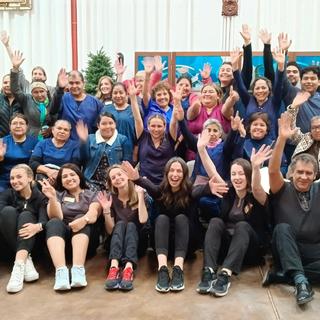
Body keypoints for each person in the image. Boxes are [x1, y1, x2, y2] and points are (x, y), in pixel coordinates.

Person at [193, 142, 270, 297]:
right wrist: (202, 150)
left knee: (242, 225)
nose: (236, 178)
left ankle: (225, 275)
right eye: (233, 174)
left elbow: (256, 187)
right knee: (215, 222)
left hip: (249, 249)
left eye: (241, 174)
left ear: (248, 175)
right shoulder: (229, 191)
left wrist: (255, 167)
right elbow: (213, 173)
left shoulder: (257, 195)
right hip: (227, 247)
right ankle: (208, 271)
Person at [122, 158, 203, 293]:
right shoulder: (161, 191)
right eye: (172, 170)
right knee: (161, 218)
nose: (175, 174)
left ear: (184, 175)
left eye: (179, 171)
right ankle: (162, 269)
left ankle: (178, 269)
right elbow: (149, 186)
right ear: (166, 173)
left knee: (181, 218)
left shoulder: (190, 192)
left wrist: (209, 187)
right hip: (162, 247)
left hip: (186, 246)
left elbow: (201, 191)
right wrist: (136, 178)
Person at [266, 112, 319, 305]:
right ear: (291, 173)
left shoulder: (318, 189)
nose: (304, 177)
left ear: (315, 175)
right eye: (300, 172)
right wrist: (282, 138)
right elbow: (272, 170)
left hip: (314, 252)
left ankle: (288, 275)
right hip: (287, 248)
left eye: (308, 173)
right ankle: (300, 283)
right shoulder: (282, 187)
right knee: (282, 228)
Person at [39, 163, 101, 291]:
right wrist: (52, 198)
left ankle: (78, 270)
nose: (69, 178)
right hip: (62, 243)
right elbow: (56, 217)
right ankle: (61, 272)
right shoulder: (57, 194)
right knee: (54, 222)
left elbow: (93, 214)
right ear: (61, 181)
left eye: (72, 174)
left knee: (80, 217)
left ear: (79, 176)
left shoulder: (92, 194)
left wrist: (83, 220)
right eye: (65, 176)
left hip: (86, 242)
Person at [98, 165, 148, 291]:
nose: (117, 178)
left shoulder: (139, 193)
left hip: (136, 244)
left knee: (131, 225)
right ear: (111, 183)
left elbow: (143, 220)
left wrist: (141, 197)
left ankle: (128, 268)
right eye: (113, 177)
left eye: (120, 174)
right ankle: (114, 267)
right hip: (116, 245)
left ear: (127, 176)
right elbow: (110, 231)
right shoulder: (111, 198)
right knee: (120, 225)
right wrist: (106, 210)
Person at [0, 164, 48, 293]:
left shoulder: (41, 195)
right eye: (12, 178)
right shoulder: (8, 194)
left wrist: (37, 227)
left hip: (35, 243)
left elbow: (45, 220)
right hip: (10, 243)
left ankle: (18, 267)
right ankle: (24, 260)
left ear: (30, 178)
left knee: (27, 215)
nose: (14, 181)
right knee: (7, 212)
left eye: (19, 177)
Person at [230, 47, 285, 139]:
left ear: (269, 90)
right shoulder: (248, 100)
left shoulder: (275, 102)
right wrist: (235, 66)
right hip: (249, 143)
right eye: (257, 88)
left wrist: (280, 67)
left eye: (263, 88)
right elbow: (240, 85)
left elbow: (279, 85)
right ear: (253, 91)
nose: (260, 91)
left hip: (270, 144)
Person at [131, 81, 178, 184]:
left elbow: (174, 122)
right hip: (145, 183)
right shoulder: (143, 136)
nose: (156, 129)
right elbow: (137, 118)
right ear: (148, 126)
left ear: (165, 126)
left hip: (165, 183)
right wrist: (133, 97)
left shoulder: (170, 137)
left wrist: (177, 101)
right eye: (153, 126)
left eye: (159, 126)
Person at [76, 112, 132, 191]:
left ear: (115, 124)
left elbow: (127, 163)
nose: (108, 126)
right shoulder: (90, 138)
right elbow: (83, 159)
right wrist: (83, 142)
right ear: (98, 125)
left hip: (114, 182)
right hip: (90, 181)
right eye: (104, 124)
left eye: (111, 123)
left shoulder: (123, 139)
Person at [10, 51, 58, 139]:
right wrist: (15, 69)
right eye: (36, 92)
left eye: (41, 91)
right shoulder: (26, 99)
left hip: (49, 138)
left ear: (46, 91)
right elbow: (15, 90)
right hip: (30, 137)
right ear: (31, 93)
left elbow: (56, 118)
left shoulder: (51, 101)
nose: (39, 94)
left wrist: (51, 128)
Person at [51, 70, 104, 140]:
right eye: (71, 83)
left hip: (87, 146)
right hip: (66, 145)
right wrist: (60, 89)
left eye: (77, 83)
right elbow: (53, 111)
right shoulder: (62, 98)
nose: (74, 86)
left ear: (83, 83)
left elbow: (100, 127)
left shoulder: (95, 103)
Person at [29, 119, 80, 185]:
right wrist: (49, 172)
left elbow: (75, 166)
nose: (62, 131)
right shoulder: (42, 143)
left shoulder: (74, 146)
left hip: (65, 177)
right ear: (53, 130)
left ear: (69, 133)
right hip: (44, 175)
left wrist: (58, 175)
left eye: (66, 130)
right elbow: (32, 163)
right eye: (59, 128)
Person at [0, 114, 38, 191]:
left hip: (27, 179)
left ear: (27, 126)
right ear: (10, 126)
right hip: (5, 179)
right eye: (14, 123)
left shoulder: (36, 142)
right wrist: (0, 157)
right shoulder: (2, 142)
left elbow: (37, 163)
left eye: (21, 123)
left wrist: (33, 179)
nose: (18, 126)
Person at [102, 82, 136, 153]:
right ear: (111, 95)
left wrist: (136, 150)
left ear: (126, 94)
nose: (118, 95)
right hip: (109, 150)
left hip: (128, 149)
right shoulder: (106, 109)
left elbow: (139, 132)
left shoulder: (133, 110)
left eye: (121, 92)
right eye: (115, 93)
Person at [0, 73, 22, 138]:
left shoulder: (23, 100)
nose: (7, 85)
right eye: (5, 82)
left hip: (19, 139)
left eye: (11, 82)